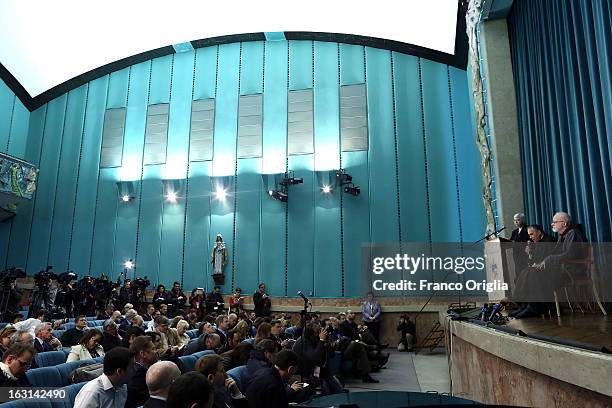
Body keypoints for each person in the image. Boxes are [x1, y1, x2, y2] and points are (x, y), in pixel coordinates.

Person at [126, 336, 159, 408]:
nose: (156, 352)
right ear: (143, 354)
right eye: (153, 349)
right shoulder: (139, 374)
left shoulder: (138, 368)